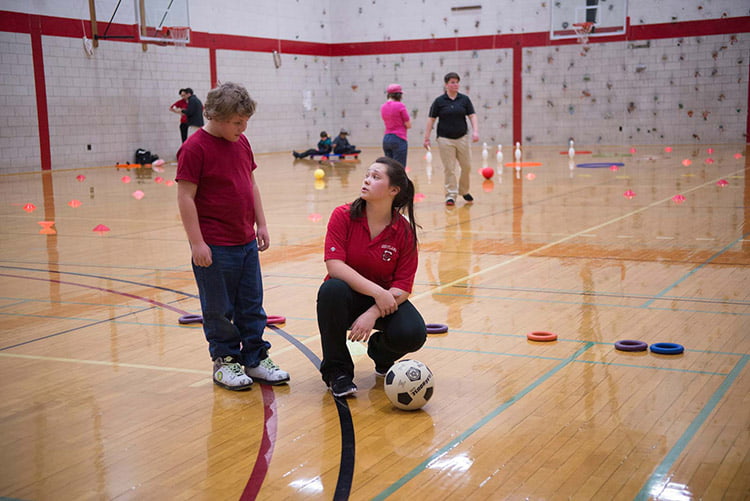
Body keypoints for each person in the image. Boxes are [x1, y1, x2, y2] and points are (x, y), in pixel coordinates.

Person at [176, 82, 290, 391]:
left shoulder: (241, 142)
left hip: (245, 242)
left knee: (252, 305)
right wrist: (197, 242)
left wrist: (262, 224)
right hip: (214, 245)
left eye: (245, 121)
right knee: (219, 308)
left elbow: (250, 183)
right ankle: (225, 361)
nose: (243, 127)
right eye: (237, 122)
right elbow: (186, 197)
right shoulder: (194, 148)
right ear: (216, 116)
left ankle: (254, 358)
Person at [316, 156, 427, 397]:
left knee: (413, 333)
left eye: (376, 177)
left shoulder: (404, 231)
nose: (366, 180)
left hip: (383, 303)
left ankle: (380, 353)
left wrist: (373, 312)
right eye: (367, 175)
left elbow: (403, 286)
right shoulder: (343, 215)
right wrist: (378, 293)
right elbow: (335, 266)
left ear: (393, 191)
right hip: (346, 298)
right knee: (331, 290)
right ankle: (338, 372)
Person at [423, 72, 480, 206]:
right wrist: (426, 138)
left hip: (462, 138)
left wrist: (475, 131)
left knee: (467, 166)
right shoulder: (439, 101)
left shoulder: (464, 100)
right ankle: (451, 195)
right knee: (450, 168)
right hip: (444, 139)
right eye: (452, 82)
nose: (455, 85)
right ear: (446, 84)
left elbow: (472, 116)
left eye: (457, 82)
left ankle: (464, 190)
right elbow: (431, 119)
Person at [380, 83, 412, 167]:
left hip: (386, 139)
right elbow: (408, 125)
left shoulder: (383, 107)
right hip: (399, 138)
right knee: (399, 168)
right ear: (399, 95)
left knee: (389, 168)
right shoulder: (400, 106)